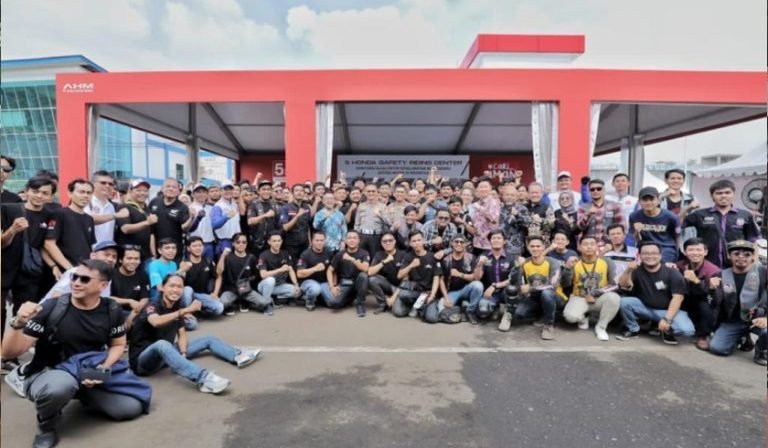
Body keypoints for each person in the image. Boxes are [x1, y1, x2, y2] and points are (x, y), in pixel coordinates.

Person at [2, 259, 146, 448]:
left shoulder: (112, 310)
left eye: (84, 279)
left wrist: (104, 367)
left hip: (88, 371)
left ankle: (82, 395)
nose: (76, 283)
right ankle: (47, 426)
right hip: (52, 371)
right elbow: (10, 352)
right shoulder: (52, 307)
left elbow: (118, 344)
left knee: (130, 408)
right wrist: (18, 323)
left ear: (103, 286)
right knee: (59, 387)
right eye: (74, 277)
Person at [129, 273, 261, 395]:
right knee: (162, 344)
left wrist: (183, 354)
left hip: (165, 355)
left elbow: (181, 333)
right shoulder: (152, 306)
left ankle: (237, 356)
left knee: (208, 339)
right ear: (162, 288)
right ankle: (203, 379)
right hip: (143, 363)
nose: (175, 290)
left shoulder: (176, 306)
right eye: (172, 286)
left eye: (179, 287)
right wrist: (185, 311)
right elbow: (156, 321)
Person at [1, 176, 56, 342]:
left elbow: (46, 245)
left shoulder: (50, 215)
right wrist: (12, 230)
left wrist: (54, 266)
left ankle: (14, 349)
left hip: (30, 272)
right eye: (35, 191)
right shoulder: (8, 209)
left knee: (24, 313)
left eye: (45, 193)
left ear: (51, 196)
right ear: (26, 191)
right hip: (5, 267)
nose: (39, 196)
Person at [617, 241, 695, 344]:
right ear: (639, 255)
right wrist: (628, 270)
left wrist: (667, 319)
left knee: (687, 330)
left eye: (654, 253)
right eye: (645, 253)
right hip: (646, 308)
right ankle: (633, 329)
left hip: (668, 311)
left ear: (660, 255)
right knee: (624, 302)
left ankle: (666, 330)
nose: (650, 256)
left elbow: (678, 298)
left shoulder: (672, 272)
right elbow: (623, 285)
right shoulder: (636, 270)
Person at [708, 240, 767, 365]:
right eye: (736, 253)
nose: (741, 257)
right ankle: (741, 338)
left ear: (753, 257)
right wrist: (712, 289)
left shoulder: (763, 272)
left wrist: (766, 318)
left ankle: (762, 349)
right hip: (734, 321)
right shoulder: (721, 275)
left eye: (746, 254)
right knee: (717, 348)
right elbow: (714, 303)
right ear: (729, 256)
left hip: (759, 318)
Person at [683, 179, 760, 268]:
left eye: (727, 193)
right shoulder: (700, 214)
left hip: (736, 265)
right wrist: (687, 208)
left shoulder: (745, 215)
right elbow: (676, 225)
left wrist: (755, 264)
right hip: (707, 264)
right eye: (719, 193)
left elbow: (753, 240)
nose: (723, 196)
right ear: (712, 196)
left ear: (733, 194)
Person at [562, 235, 621, 341]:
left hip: (600, 297)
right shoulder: (575, 262)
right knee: (570, 317)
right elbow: (566, 284)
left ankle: (601, 327)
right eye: (585, 244)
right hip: (580, 297)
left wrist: (595, 293)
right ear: (579, 247)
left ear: (597, 247)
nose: (589, 247)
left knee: (614, 298)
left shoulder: (607, 262)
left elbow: (614, 284)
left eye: (592, 244)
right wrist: (568, 268)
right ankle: (584, 317)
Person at [512, 236, 570, 340]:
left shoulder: (553, 262)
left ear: (543, 247)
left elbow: (553, 285)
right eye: (532, 246)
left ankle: (548, 324)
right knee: (518, 314)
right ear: (528, 247)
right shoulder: (525, 262)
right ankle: (543, 315)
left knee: (546, 293)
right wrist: (517, 267)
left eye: (538, 246)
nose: (535, 249)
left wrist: (530, 288)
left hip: (555, 297)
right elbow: (516, 284)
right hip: (535, 297)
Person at [44, 178, 97, 273]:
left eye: (89, 193)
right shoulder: (59, 214)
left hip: (83, 270)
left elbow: (90, 247)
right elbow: (49, 244)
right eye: (81, 192)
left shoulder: (89, 219)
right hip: (64, 271)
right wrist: (69, 268)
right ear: (70, 194)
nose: (85, 195)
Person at [676, 238, 720, 350]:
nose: (695, 253)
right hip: (684, 299)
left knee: (705, 304)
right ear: (685, 252)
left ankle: (704, 335)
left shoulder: (714, 271)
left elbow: (714, 298)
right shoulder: (679, 266)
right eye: (691, 250)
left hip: (703, 302)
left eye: (699, 250)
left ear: (705, 252)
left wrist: (696, 281)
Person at [42, 240, 120, 302]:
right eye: (106, 255)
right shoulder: (76, 271)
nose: (110, 259)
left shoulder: (107, 278)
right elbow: (56, 296)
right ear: (93, 255)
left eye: (114, 257)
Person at [388, 231, 441, 318]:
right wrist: (411, 265)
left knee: (431, 318)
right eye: (414, 241)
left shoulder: (432, 256)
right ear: (410, 243)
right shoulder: (408, 256)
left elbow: (436, 278)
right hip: (413, 291)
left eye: (419, 240)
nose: (417, 243)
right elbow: (399, 275)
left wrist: (433, 295)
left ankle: (420, 307)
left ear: (423, 241)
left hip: (427, 292)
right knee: (398, 311)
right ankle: (414, 306)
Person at [215, 233, 269, 315]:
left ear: (247, 244)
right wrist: (223, 256)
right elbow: (219, 272)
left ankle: (246, 302)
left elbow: (256, 275)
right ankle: (234, 304)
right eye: (238, 242)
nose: (241, 244)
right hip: (231, 290)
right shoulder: (228, 257)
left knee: (264, 303)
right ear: (233, 243)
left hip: (246, 289)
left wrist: (247, 282)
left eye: (244, 242)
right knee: (223, 303)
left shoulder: (251, 257)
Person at [321, 230, 371, 317]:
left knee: (363, 276)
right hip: (345, 284)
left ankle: (360, 304)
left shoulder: (364, 253)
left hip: (359, 283)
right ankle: (349, 298)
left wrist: (352, 259)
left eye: (354, 238)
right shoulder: (340, 254)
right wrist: (332, 286)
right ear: (345, 240)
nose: (352, 240)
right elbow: (329, 270)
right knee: (333, 303)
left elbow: (365, 268)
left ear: (359, 240)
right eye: (349, 238)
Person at [436, 234, 483, 324]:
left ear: (465, 244)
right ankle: (460, 308)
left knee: (478, 285)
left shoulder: (471, 257)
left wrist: (459, 274)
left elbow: (475, 278)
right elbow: (441, 280)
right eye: (456, 242)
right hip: (452, 292)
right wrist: (446, 297)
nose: (459, 244)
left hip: (467, 289)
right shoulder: (446, 260)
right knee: (442, 305)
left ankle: (470, 311)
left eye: (462, 242)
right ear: (452, 244)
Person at [629, 186, 681, 263]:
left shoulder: (670, 216)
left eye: (651, 199)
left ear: (658, 200)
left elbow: (677, 237)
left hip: (665, 248)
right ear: (639, 202)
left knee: (660, 264)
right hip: (645, 249)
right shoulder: (634, 216)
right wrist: (637, 231)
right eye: (645, 200)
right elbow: (635, 239)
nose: (648, 203)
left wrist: (676, 254)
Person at [476, 230, 517, 327]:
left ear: (504, 241)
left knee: (512, 289)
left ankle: (507, 315)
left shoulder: (511, 258)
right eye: (493, 238)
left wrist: (495, 286)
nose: (496, 240)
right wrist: (479, 265)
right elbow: (477, 278)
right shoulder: (483, 256)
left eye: (499, 238)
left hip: (505, 291)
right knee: (483, 311)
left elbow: (513, 279)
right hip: (489, 293)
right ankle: (495, 308)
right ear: (489, 241)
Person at [149, 178, 194, 259]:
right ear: (162, 189)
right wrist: (153, 253)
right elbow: (150, 228)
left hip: (173, 251)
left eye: (174, 187)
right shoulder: (154, 202)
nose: (171, 189)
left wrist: (191, 218)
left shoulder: (182, 207)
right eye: (168, 186)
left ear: (178, 191)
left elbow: (185, 228)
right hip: (155, 249)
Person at [179, 236, 224, 318]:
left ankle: (199, 311)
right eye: (194, 246)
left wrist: (215, 293)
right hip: (187, 295)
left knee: (219, 308)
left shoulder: (208, 261)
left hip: (202, 295)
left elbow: (218, 277)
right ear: (188, 248)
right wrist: (181, 270)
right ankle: (187, 313)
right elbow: (177, 281)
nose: (198, 248)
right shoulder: (184, 263)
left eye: (200, 245)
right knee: (187, 290)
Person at [257, 231, 301, 311]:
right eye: (274, 241)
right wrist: (280, 270)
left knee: (296, 292)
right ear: (269, 242)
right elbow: (263, 275)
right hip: (265, 286)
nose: (277, 243)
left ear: (281, 241)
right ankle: (266, 304)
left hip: (279, 286)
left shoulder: (285, 253)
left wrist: (296, 284)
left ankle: (275, 298)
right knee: (271, 280)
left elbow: (290, 269)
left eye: (279, 241)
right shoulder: (264, 255)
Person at [116, 179, 158, 263]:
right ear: (130, 192)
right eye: (138, 190)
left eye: (145, 191)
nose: (142, 193)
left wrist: (153, 254)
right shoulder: (124, 207)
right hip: (129, 256)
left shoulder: (146, 209)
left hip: (146, 255)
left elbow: (150, 234)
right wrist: (147, 222)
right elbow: (125, 228)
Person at [109, 245, 150, 330]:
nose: (133, 262)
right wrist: (129, 301)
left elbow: (144, 299)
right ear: (120, 260)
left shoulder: (142, 275)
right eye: (129, 258)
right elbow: (106, 297)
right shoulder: (111, 275)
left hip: (135, 312)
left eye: (136, 259)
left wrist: (131, 316)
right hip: (114, 310)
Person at [367, 231, 407, 315]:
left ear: (395, 241)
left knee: (398, 312)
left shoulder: (403, 254)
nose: (388, 243)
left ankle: (399, 302)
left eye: (390, 240)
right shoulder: (379, 254)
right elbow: (370, 272)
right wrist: (384, 261)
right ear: (381, 243)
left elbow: (406, 279)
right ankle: (383, 303)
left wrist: (394, 297)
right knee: (372, 279)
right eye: (384, 241)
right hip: (389, 285)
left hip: (402, 288)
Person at [576, 179, 624, 247]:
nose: (595, 191)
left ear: (604, 190)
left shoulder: (614, 205)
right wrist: (587, 215)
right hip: (590, 247)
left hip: (609, 246)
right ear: (589, 191)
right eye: (592, 189)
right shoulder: (583, 207)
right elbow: (579, 228)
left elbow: (622, 227)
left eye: (599, 189)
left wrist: (617, 244)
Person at [85, 170, 129, 244]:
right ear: (92, 184)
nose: (107, 186)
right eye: (103, 183)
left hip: (108, 248)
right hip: (90, 248)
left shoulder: (111, 206)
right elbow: (87, 220)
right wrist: (115, 215)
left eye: (110, 184)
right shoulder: (86, 201)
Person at [296, 231, 333, 311]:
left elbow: (332, 269)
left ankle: (318, 297)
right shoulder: (305, 254)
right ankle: (309, 301)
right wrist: (315, 269)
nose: (319, 243)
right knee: (315, 289)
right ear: (312, 241)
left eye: (322, 240)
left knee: (332, 302)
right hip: (308, 282)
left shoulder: (328, 252)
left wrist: (332, 285)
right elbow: (299, 274)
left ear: (325, 241)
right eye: (317, 240)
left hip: (323, 282)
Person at [279, 183, 312, 263]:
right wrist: (297, 216)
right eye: (297, 191)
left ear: (304, 193)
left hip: (304, 244)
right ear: (292, 193)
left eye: (301, 191)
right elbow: (285, 227)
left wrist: (310, 242)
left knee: (303, 266)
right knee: (292, 266)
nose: (299, 193)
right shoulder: (285, 207)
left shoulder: (307, 207)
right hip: (291, 245)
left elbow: (308, 226)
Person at [246, 180, 279, 257]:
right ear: (258, 191)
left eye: (268, 189)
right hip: (257, 243)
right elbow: (250, 221)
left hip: (271, 243)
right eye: (264, 189)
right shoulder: (254, 204)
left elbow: (277, 222)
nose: (266, 191)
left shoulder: (274, 204)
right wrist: (265, 215)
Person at [354, 183, 389, 257]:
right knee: (361, 258)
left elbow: (388, 223)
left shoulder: (382, 207)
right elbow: (357, 223)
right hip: (362, 236)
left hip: (376, 236)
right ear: (365, 192)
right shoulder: (361, 206)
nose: (371, 193)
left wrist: (380, 215)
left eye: (373, 191)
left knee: (375, 258)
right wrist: (357, 236)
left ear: (377, 192)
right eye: (369, 191)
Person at [210, 181, 242, 259]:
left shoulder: (234, 204)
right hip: (224, 242)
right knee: (224, 264)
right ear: (221, 191)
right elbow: (214, 224)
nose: (228, 191)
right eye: (225, 189)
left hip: (237, 240)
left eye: (230, 189)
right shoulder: (218, 206)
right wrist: (226, 217)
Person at [470, 177, 501, 255]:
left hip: (489, 244)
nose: (483, 189)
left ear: (490, 188)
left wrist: (480, 208)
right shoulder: (477, 203)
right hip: (477, 242)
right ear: (477, 189)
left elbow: (493, 219)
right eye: (481, 187)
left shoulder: (494, 202)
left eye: (485, 187)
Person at [607, 172, 638, 245]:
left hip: (628, 233)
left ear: (629, 183)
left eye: (623, 181)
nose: (620, 183)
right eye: (617, 181)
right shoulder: (607, 198)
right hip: (610, 233)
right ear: (613, 184)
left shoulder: (635, 200)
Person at [186, 183, 216, 260]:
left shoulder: (211, 208)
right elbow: (187, 228)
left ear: (207, 194)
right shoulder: (189, 208)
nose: (201, 194)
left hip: (209, 242)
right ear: (193, 194)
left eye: (203, 192)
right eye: (198, 192)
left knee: (209, 265)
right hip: (194, 244)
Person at [524, 182, 556, 247]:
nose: (534, 195)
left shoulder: (547, 207)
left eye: (537, 192)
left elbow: (552, 225)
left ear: (542, 193)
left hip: (543, 244)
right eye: (532, 193)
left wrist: (541, 220)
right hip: (527, 244)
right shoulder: (523, 207)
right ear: (528, 193)